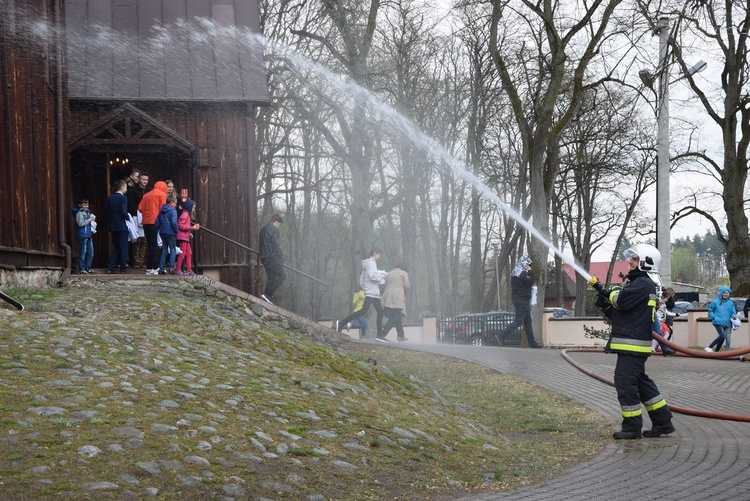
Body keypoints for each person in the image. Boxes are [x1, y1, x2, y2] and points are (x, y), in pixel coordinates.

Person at [589, 243, 675, 440]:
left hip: (633, 343)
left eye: (635, 259)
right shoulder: (640, 284)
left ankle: (632, 427)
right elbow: (623, 313)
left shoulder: (643, 284)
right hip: (632, 341)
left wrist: (603, 290)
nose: (630, 262)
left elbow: (620, 300)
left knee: (625, 382)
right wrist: (605, 305)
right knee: (641, 382)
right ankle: (663, 422)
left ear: (646, 263)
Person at [336, 247, 387, 336]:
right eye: (379, 255)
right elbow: (372, 276)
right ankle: (342, 322)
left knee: (377, 311)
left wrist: (365, 288)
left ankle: (379, 335)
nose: (379, 257)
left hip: (372, 292)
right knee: (367, 311)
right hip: (372, 293)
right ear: (375, 253)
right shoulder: (371, 263)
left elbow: (361, 279)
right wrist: (382, 276)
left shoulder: (367, 264)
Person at [495, 255, 539, 348]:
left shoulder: (516, 271)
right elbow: (530, 281)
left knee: (528, 322)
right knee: (518, 321)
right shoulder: (521, 273)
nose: (529, 266)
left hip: (520, 299)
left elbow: (524, 283)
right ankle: (501, 335)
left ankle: (532, 344)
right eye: (528, 264)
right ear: (525, 264)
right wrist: (530, 272)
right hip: (522, 299)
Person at [138, 180, 168, 275]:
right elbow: (163, 209)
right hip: (155, 221)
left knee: (150, 245)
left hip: (146, 222)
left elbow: (140, 208)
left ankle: (152, 267)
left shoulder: (146, 195)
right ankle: (152, 267)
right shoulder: (162, 195)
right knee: (154, 246)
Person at [378, 263, 411, 342]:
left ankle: (401, 335)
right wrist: (404, 293)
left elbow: (384, 285)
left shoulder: (389, 273)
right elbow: (407, 285)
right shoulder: (404, 273)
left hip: (387, 297)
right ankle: (382, 335)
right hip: (397, 297)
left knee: (397, 316)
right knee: (394, 317)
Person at [258, 214, 286, 303]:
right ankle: (268, 295)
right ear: (276, 222)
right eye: (279, 225)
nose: (278, 227)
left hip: (263, 257)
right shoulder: (274, 230)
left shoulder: (263, 229)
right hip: (271, 257)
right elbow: (276, 246)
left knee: (272, 277)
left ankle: (267, 296)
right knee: (282, 276)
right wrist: (281, 259)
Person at [106, 179, 129, 274]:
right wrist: (128, 217)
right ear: (123, 187)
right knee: (123, 247)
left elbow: (108, 213)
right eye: (126, 188)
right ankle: (122, 268)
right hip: (122, 226)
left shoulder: (109, 198)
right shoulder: (123, 198)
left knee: (116, 247)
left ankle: (110, 267)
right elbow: (124, 212)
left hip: (113, 226)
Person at [705, 285, 738, 352]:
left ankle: (719, 352)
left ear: (729, 294)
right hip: (718, 322)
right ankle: (709, 347)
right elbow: (710, 311)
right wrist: (714, 317)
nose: (725, 294)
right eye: (724, 292)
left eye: (727, 293)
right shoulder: (715, 302)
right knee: (722, 336)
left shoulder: (730, 303)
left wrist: (734, 316)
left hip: (728, 324)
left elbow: (733, 312)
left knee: (726, 338)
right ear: (721, 293)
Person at [126, 169, 146, 268]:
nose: (144, 181)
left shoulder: (146, 190)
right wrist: (138, 211)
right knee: (136, 240)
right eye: (143, 179)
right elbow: (131, 204)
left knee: (143, 240)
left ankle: (141, 260)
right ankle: (136, 261)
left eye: (146, 180)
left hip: (145, 217)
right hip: (135, 216)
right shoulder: (133, 190)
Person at [175, 199, 200, 275]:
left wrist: (189, 233)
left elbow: (183, 226)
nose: (193, 209)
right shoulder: (185, 215)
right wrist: (192, 228)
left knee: (189, 252)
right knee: (182, 253)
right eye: (193, 207)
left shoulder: (186, 214)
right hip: (182, 238)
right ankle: (178, 269)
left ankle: (189, 269)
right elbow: (181, 226)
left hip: (185, 237)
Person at [156, 194, 179, 274]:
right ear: (172, 202)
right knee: (173, 249)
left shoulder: (162, 210)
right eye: (175, 203)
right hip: (171, 232)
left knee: (164, 250)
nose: (176, 205)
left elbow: (157, 222)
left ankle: (161, 268)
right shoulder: (173, 211)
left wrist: (159, 229)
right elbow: (173, 222)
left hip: (162, 231)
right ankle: (171, 268)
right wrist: (176, 231)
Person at [74, 198, 96, 274]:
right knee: (83, 252)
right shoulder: (79, 213)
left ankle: (88, 268)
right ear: (80, 205)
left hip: (89, 235)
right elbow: (80, 223)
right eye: (84, 204)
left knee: (90, 252)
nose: (86, 206)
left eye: (87, 204)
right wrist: (89, 220)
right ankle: (82, 268)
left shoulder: (88, 213)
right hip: (83, 235)